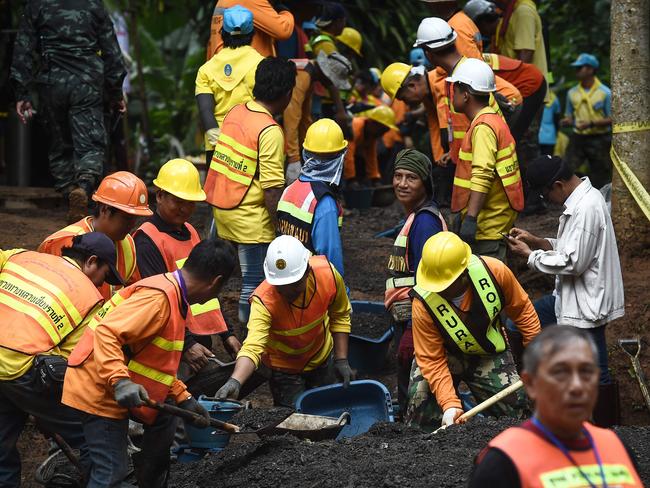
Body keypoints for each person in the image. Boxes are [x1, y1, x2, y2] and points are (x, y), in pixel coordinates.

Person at [62, 239, 237, 488]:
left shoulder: (173, 296)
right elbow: (107, 333)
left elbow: (154, 363)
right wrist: (121, 381)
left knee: (101, 466)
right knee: (111, 472)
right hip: (98, 387)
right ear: (216, 282)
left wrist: (183, 397)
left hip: (103, 383)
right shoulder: (159, 298)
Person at [505, 155, 624, 424]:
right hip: (570, 297)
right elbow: (571, 247)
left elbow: (573, 262)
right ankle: (533, 394)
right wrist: (537, 242)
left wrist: (529, 256)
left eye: (546, 195)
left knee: (597, 369)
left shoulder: (586, 208)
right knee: (518, 324)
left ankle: (608, 429)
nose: (548, 201)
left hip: (588, 302)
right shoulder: (580, 202)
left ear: (557, 185)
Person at [0, 232, 123, 487]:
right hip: (22, 371)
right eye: (104, 275)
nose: (102, 284)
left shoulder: (20, 257)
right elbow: (69, 365)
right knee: (94, 439)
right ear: (91, 261)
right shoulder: (90, 299)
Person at [469, 326, 643, 488]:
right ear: (530, 384)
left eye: (586, 371)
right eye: (560, 372)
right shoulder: (503, 462)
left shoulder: (617, 446)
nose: (577, 386)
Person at [406, 231, 540, 431]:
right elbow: (431, 359)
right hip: (444, 355)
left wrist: (538, 358)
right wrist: (450, 404)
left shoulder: (495, 272)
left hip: (487, 352)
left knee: (515, 409)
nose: (438, 290)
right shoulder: (423, 302)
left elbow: (523, 312)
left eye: (444, 284)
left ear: (463, 273)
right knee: (420, 401)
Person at [10, 0, 127, 223]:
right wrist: (115, 93)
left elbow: (22, 50)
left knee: (59, 145)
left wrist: (22, 94)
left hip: (51, 83)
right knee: (90, 144)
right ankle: (83, 189)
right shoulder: (93, 5)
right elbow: (112, 53)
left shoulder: (37, 5)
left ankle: (70, 194)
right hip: (87, 83)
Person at [132, 159, 240, 387]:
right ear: (159, 196)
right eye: (178, 201)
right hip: (171, 343)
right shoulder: (146, 240)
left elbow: (209, 285)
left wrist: (226, 333)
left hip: (197, 340)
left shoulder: (190, 231)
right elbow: (159, 301)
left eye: (190, 203)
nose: (184, 209)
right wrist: (186, 345)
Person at [204, 57, 296, 324]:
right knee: (254, 285)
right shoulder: (270, 131)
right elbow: (271, 189)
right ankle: (249, 340)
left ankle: (211, 323)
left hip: (220, 212)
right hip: (249, 223)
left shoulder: (237, 111)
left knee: (215, 276)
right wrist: (281, 227)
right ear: (288, 93)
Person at [216, 235, 352, 408]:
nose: (288, 292)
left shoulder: (327, 275)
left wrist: (341, 359)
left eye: (294, 285)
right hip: (284, 369)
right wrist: (235, 381)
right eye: (281, 287)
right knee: (291, 423)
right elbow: (253, 346)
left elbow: (340, 314)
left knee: (326, 412)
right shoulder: (264, 300)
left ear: (307, 271)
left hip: (321, 357)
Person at [385, 149, 447, 413]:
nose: (402, 183)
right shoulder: (416, 216)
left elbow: (428, 278)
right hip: (408, 317)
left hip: (418, 320)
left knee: (414, 390)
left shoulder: (425, 223)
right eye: (398, 176)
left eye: (411, 177)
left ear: (425, 183)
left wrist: (413, 328)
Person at [446, 58, 524, 261]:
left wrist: (470, 219)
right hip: (495, 221)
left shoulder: (483, 128)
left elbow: (482, 174)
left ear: (465, 95)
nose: (451, 95)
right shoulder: (493, 120)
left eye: (454, 90)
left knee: (490, 284)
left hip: (487, 226)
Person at [38, 171, 152, 300]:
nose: (132, 225)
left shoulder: (128, 244)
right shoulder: (63, 242)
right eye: (127, 219)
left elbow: (131, 293)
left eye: (135, 219)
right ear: (104, 209)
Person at [196, 5, 264, 166]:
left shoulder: (206, 69)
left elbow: (205, 110)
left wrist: (219, 143)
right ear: (251, 33)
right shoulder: (262, 65)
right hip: (251, 143)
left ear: (223, 32)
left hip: (216, 146)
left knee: (218, 191)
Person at [277, 119, 346, 275]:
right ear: (340, 157)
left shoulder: (289, 189)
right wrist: (341, 293)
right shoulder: (324, 203)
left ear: (305, 152)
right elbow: (330, 259)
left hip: (286, 278)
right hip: (312, 285)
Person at [283, 52, 353, 183]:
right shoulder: (302, 76)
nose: (330, 85)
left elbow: (305, 118)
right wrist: (294, 159)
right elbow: (291, 117)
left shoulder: (309, 73)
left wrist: (309, 152)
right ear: (326, 74)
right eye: (332, 81)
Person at [561, 53, 613, 189]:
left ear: (591, 69)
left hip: (600, 138)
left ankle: (602, 200)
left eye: (580, 68)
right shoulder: (572, 92)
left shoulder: (605, 92)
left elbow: (612, 118)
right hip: (578, 137)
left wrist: (591, 124)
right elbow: (569, 115)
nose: (577, 71)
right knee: (566, 168)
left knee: (601, 172)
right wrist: (567, 121)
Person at [206, 0, 294, 59]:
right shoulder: (251, 1)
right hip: (245, 78)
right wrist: (283, 10)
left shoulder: (223, 1)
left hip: (224, 72)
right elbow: (283, 29)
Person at [492, 0, 549, 83]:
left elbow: (526, 52)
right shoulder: (509, 14)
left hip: (526, 89)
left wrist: (515, 85)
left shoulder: (523, 12)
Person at [344, 105, 399, 185]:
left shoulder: (371, 133)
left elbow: (371, 155)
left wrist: (375, 177)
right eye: (383, 129)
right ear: (373, 123)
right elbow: (348, 154)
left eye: (386, 130)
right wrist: (351, 179)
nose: (383, 133)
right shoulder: (355, 127)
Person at [418, 0, 484, 58]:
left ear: (441, 5)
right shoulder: (461, 18)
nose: (430, 7)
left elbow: (467, 64)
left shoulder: (456, 26)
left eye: (431, 4)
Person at [538, 85, 562, 155]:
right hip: (550, 136)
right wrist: (557, 132)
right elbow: (556, 118)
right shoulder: (555, 99)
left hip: (536, 136)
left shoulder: (536, 97)